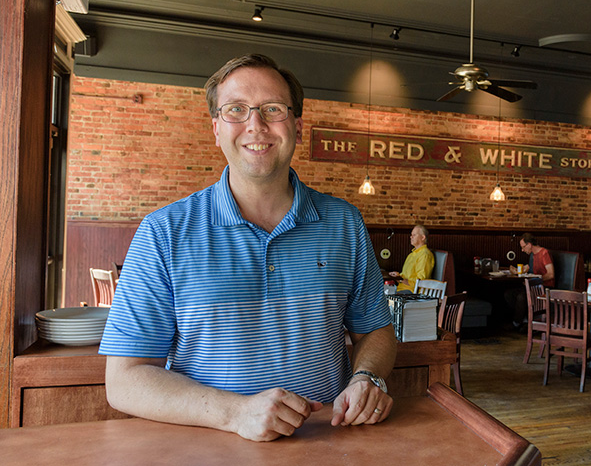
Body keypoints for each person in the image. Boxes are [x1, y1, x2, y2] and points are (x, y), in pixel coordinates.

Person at [99, 54, 397, 442]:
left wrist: (367, 377)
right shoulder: (163, 232)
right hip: (210, 449)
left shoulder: (344, 223)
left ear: (298, 126)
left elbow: (375, 330)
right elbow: (124, 380)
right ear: (216, 129)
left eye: (272, 109)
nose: (255, 125)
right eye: (236, 110)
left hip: (328, 445)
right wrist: (236, 414)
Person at [505, 233, 555, 329]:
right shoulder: (533, 255)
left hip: (545, 287)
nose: (522, 250)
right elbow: (530, 268)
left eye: (523, 247)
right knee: (508, 294)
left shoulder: (544, 253)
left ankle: (516, 323)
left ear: (529, 245)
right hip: (534, 286)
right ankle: (524, 319)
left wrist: (535, 281)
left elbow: (551, 274)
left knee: (521, 297)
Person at [388, 225, 435, 292]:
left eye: (414, 235)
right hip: (401, 289)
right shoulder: (412, 254)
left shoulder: (425, 255)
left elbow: (421, 282)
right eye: (411, 235)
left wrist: (401, 279)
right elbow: (407, 276)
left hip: (412, 292)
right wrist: (398, 276)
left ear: (423, 237)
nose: (411, 237)